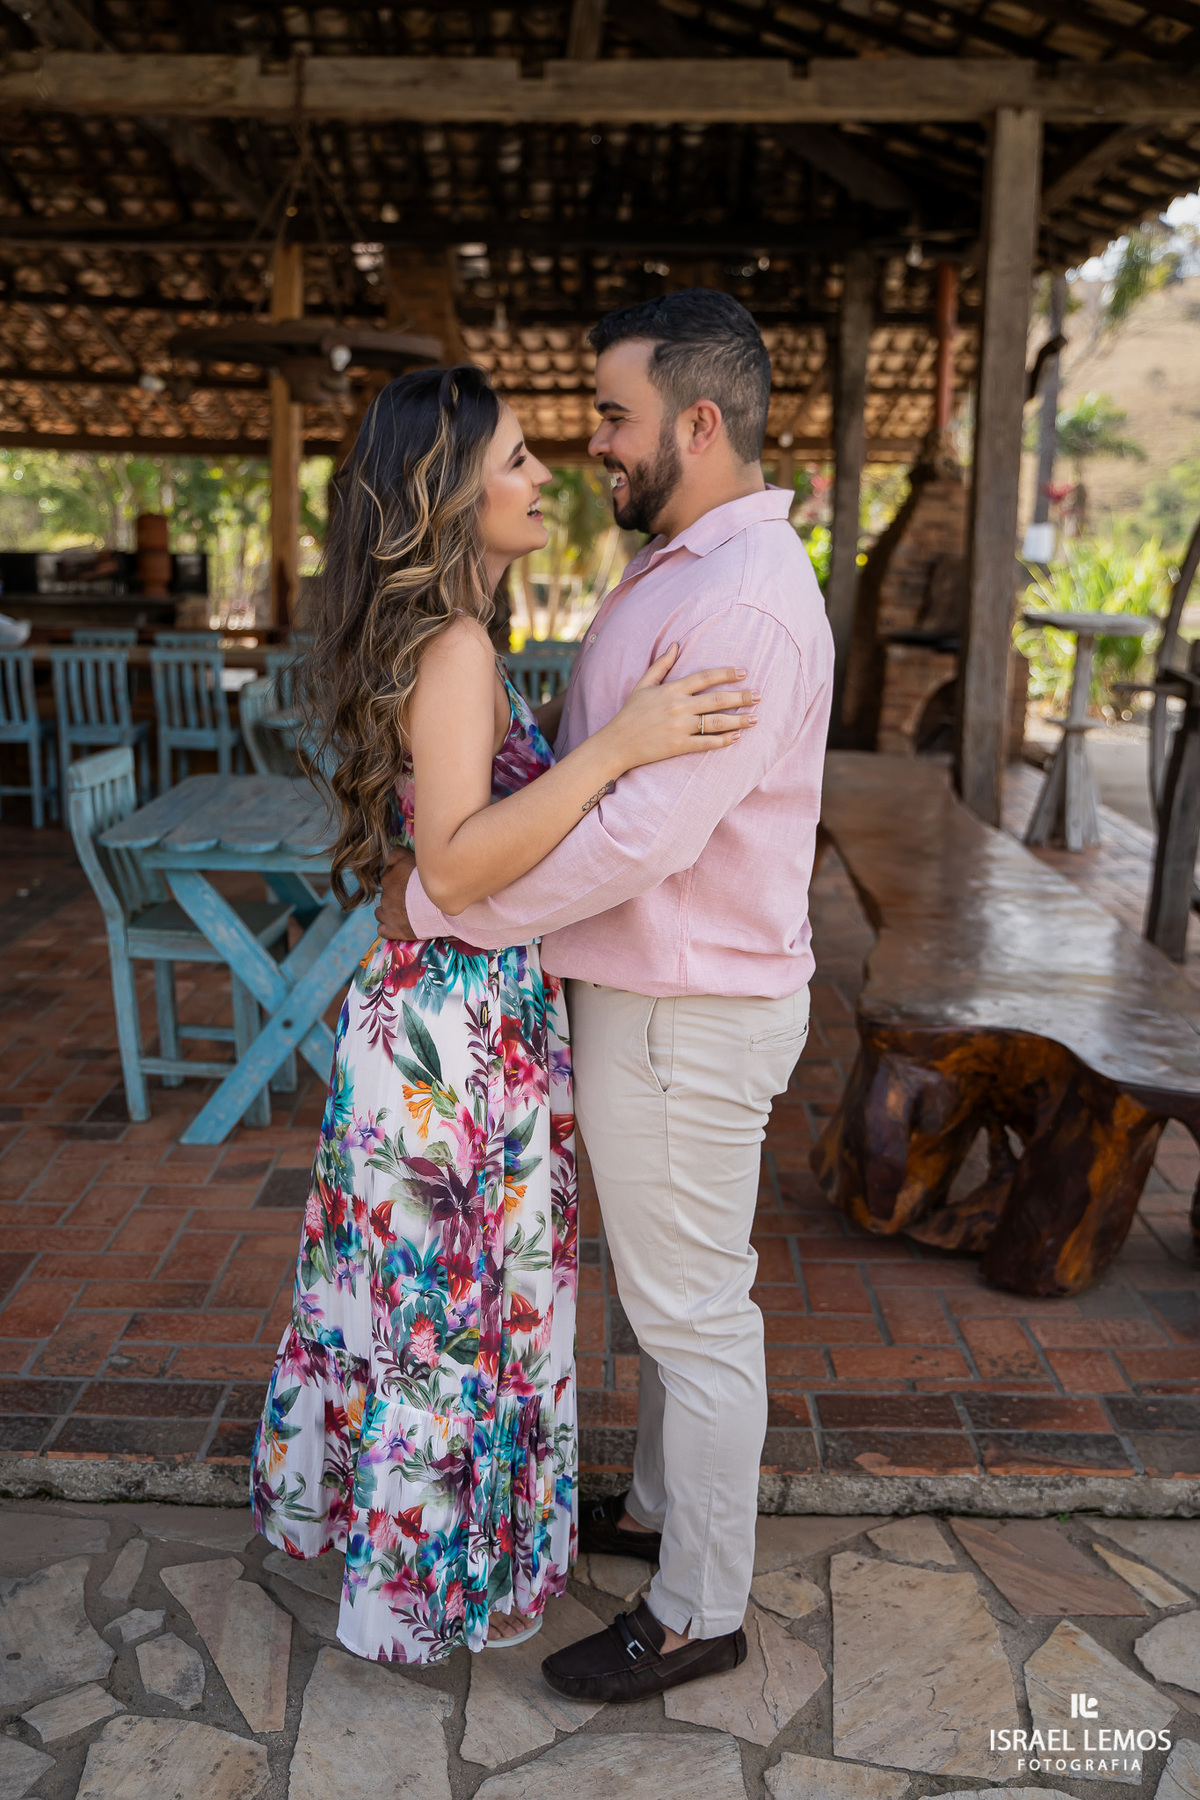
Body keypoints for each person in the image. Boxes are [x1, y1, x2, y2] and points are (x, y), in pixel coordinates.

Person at [250, 362, 756, 1666]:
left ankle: (411, 1567)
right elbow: (459, 868)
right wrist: (623, 746)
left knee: (429, 1317)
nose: (547, 475)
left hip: (435, 1016)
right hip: (456, 1035)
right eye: (521, 456)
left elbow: (419, 870)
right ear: (448, 485)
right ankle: (434, 1590)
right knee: (459, 1321)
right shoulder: (460, 645)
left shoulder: (425, 633)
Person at [374, 290, 834, 1702]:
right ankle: (653, 1515)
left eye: (612, 419)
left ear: (699, 423)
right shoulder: (685, 563)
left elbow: (643, 837)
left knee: (696, 1313)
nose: (592, 450)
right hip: (644, 998)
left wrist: (446, 904)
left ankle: (699, 1609)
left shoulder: (741, 598)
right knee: (665, 1296)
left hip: (683, 1009)